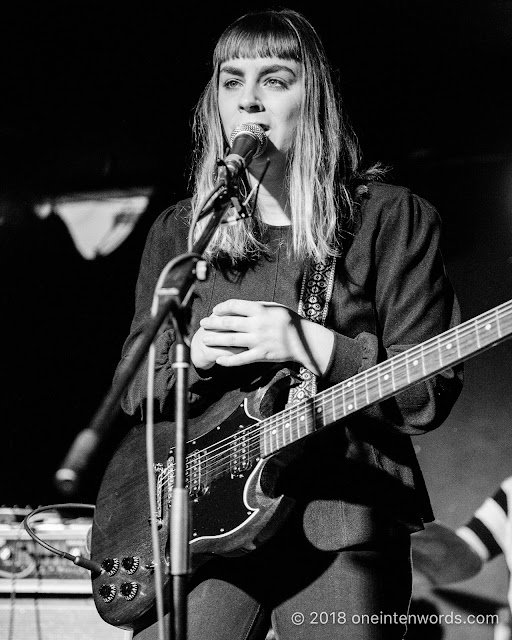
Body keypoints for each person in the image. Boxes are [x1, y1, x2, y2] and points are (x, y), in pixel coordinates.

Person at [113, 8, 463, 640]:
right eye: (231, 80)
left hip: (342, 524)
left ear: (315, 99)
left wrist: (311, 343)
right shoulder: (181, 230)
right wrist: (196, 359)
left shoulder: (390, 218)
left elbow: (428, 394)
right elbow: (135, 387)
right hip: (203, 526)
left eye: (275, 79)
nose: (248, 100)